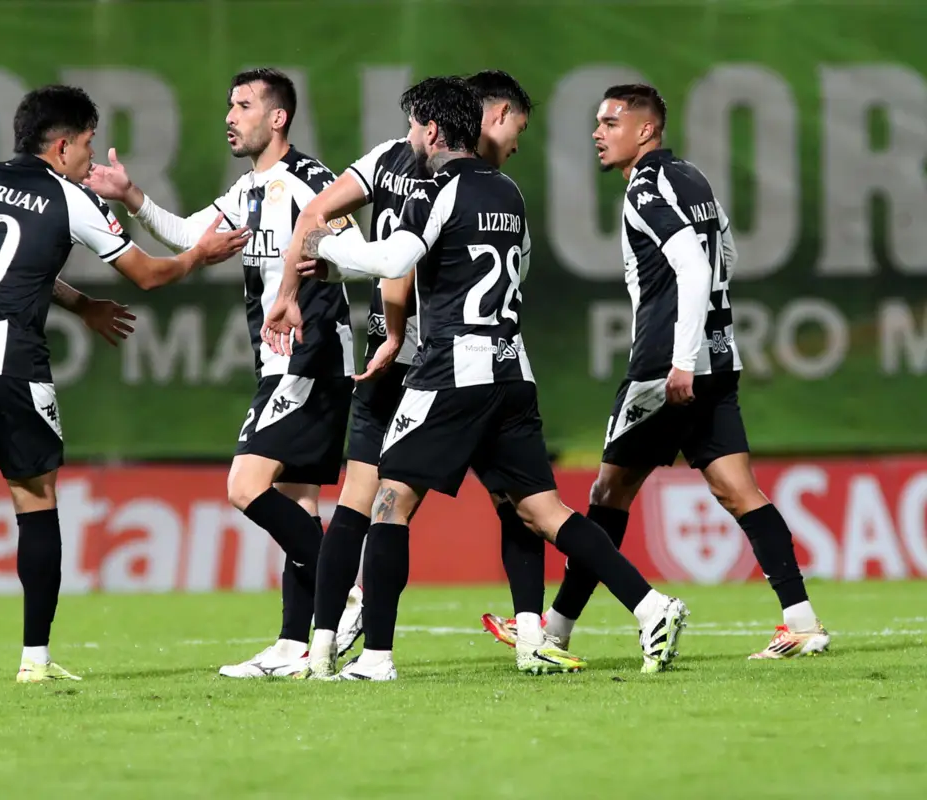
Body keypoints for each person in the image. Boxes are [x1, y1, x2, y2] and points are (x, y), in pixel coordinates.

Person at [288, 76, 690, 680]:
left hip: (453, 367)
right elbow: (509, 269)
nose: (410, 139)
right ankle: (652, 605)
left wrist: (333, 248)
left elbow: (397, 260)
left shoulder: (437, 186)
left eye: (415, 127)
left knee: (389, 504)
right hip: (511, 368)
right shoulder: (508, 190)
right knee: (544, 512)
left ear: (432, 129)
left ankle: (375, 658)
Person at [482, 84, 830, 661]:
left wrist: (679, 357)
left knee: (606, 493)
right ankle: (801, 620)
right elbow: (726, 255)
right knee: (737, 489)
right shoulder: (691, 177)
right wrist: (703, 340)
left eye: (610, 122)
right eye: (597, 122)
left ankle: (558, 629)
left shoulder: (646, 187)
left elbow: (694, 267)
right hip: (718, 358)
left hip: (666, 370)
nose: (598, 132)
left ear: (645, 130)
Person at [0, 84, 249, 682]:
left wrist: (81, 305)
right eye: (89, 143)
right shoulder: (68, 198)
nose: (90, 157)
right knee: (36, 502)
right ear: (64, 144)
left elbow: (11, 267)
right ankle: (35, 662)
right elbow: (148, 275)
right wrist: (199, 254)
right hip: (7, 359)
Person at [263, 71, 576, 676]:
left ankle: (329, 641)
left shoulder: (398, 164)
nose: (514, 140)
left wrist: (298, 290)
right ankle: (341, 638)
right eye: (514, 126)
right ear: (487, 116)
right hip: (436, 358)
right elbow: (374, 252)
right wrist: (297, 294)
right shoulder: (459, 178)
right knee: (493, 500)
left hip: (421, 355)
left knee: (376, 502)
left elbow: (321, 221)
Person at [83, 69, 364, 678]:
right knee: (296, 501)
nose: (230, 117)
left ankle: (345, 596)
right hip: (280, 360)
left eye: (242, 106)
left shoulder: (310, 180)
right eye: (229, 105)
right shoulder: (250, 188)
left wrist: (320, 261)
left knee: (245, 485)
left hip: (311, 355)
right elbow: (190, 235)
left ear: (278, 117)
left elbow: (359, 250)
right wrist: (131, 197)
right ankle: (295, 645)